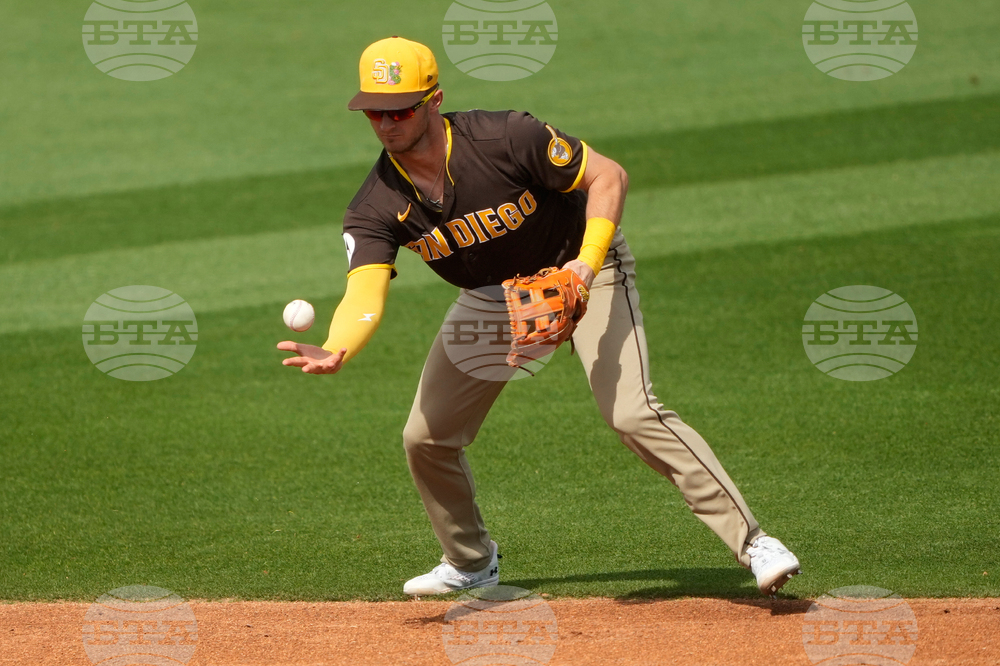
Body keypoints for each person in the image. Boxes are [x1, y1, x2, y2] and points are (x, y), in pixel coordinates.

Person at [278, 36, 802, 598]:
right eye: (375, 112)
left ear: (434, 100)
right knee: (425, 438)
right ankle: (471, 560)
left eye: (401, 108)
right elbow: (364, 292)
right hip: (492, 298)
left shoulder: (505, 136)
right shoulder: (376, 205)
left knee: (632, 413)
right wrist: (339, 345)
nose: (387, 123)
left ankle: (753, 543)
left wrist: (586, 264)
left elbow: (609, 177)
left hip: (586, 271)